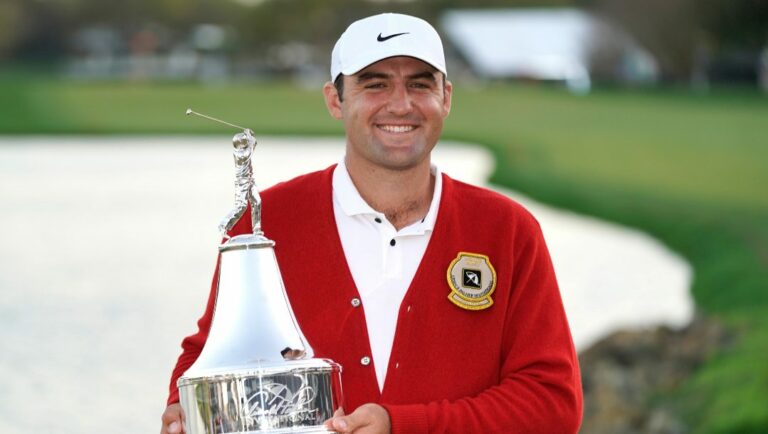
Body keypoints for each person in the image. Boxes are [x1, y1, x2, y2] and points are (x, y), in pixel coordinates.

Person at [161, 13, 582, 434]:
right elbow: (212, 351)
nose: (401, 104)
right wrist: (185, 408)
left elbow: (552, 402)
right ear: (335, 99)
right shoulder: (265, 224)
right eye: (375, 83)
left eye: (420, 83)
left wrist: (403, 425)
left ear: (446, 97)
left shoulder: (506, 230)